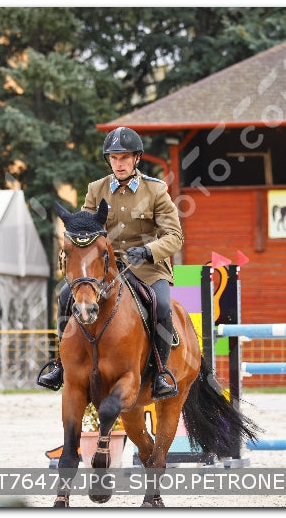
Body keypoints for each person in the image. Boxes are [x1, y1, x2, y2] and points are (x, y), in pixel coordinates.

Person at [37, 126, 184, 400]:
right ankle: (60, 364)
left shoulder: (156, 190)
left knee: (162, 305)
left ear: (136, 158)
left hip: (147, 267)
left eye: (125, 157)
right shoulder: (96, 189)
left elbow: (175, 236)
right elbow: (83, 231)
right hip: (104, 268)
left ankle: (161, 372)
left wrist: (148, 251)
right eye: (114, 158)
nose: (119, 163)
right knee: (66, 296)